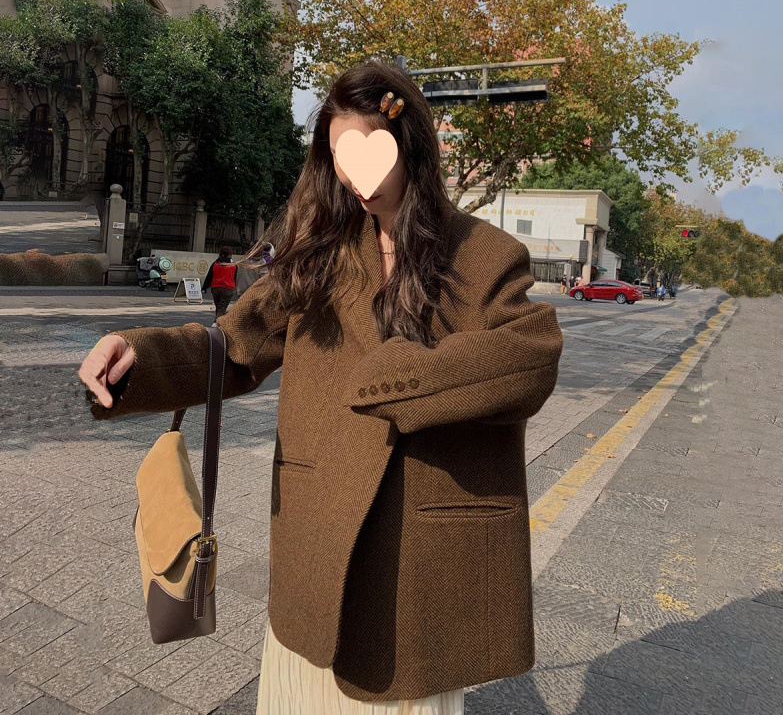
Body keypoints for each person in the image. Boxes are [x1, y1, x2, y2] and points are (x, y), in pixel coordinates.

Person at [78, 60, 564, 714]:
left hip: (416, 563)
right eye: (339, 155)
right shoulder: (321, 254)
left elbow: (531, 357)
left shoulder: (484, 254)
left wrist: (403, 380)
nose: (354, 174)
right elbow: (234, 347)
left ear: (408, 144)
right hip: (317, 541)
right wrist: (137, 354)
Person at [202, 246, 238, 322]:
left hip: (216, 288)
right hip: (228, 288)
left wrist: (204, 287)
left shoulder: (215, 264)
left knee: (218, 306)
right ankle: (217, 322)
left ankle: (217, 321)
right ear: (230, 254)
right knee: (222, 308)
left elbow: (209, 276)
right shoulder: (233, 265)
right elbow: (235, 277)